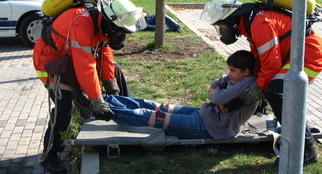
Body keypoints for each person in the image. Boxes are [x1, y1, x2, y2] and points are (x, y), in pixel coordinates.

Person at [201, 0, 322, 165]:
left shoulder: (259, 23)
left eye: (221, 27)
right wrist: (254, 88)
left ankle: (306, 151)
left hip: (309, 57)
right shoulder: (251, 21)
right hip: (293, 55)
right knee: (268, 87)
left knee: (276, 91)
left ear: (230, 19)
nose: (222, 32)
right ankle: (278, 122)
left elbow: (271, 65)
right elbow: (259, 59)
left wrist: (249, 95)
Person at [33, 0, 146, 174]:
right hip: (52, 61)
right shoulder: (82, 25)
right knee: (64, 104)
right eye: (121, 32)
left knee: (116, 71)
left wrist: (111, 86)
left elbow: (104, 52)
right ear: (113, 23)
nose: (121, 37)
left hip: (72, 57)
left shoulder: (103, 23)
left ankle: (128, 118)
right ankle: (50, 154)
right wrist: (97, 102)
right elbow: (85, 65)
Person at [103, 50, 258, 139]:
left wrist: (216, 96)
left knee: (151, 115)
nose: (229, 74)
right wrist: (216, 94)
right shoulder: (238, 78)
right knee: (154, 106)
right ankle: (105, 99)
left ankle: (101, 109)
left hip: (210, 128)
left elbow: (216, 96)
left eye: (233, 70)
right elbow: (216, 84)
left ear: (246, 71)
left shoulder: (247, 82)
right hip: (203, 114)